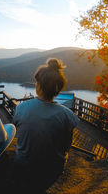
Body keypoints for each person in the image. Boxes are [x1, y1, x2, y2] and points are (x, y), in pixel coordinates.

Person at [13, 58, 79, 192]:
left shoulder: (21, 108)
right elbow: (67, 146)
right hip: (52, 168)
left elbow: (19, 131)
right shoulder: (67, 115)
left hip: (24, 164)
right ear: (58, 89)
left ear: (38, 85)